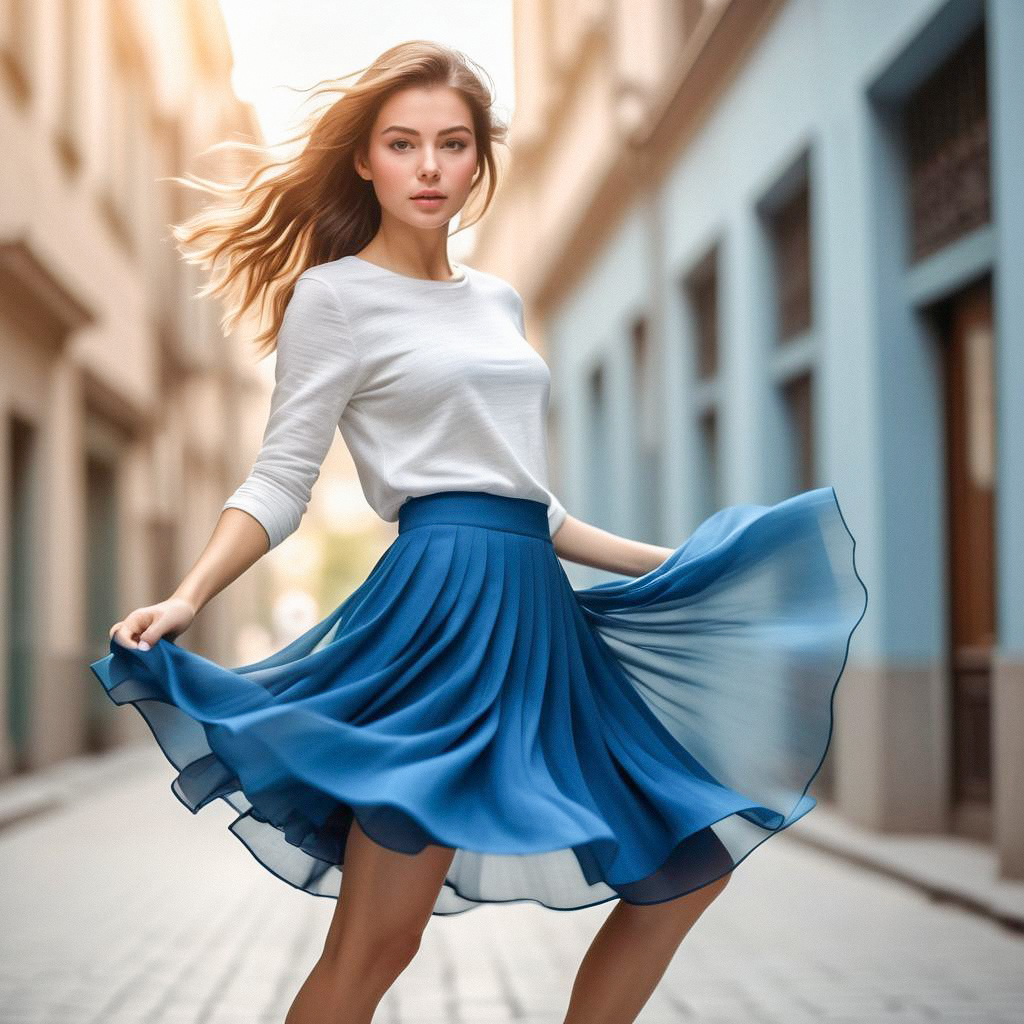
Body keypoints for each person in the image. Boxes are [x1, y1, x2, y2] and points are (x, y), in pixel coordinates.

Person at [90, 40, 867, 1024]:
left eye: (451, 145)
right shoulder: (334, 297)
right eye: (402, 143)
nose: (427, 166)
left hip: (539, 623)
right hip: (437, 623)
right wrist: (189, 594)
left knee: (684, 868)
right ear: (365, 160)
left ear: (477, 162)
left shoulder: (496, 299)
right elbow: (281, 478)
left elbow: (534, 503)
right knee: (379, 941)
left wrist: (677, 566)